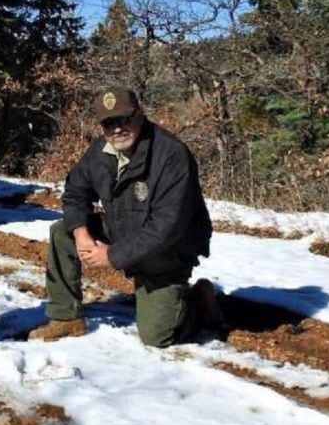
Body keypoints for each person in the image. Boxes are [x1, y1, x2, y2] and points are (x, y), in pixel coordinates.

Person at [29, 86, 222, 347]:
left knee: (158, 336)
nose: (117, 128)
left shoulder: (171, 155)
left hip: (167, 252)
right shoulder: (100, 151)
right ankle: (66, 319)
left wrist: (112, 255)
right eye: (109, 123)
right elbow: (75, 191)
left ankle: (197, 302)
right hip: (125, 231)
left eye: (124, 119)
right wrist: (81, 232)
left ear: (139, 114)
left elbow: (167, 227)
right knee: (63, 230)